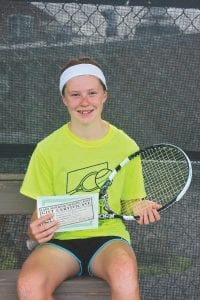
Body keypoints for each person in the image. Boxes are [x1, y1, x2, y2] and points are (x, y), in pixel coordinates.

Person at [17, 57, 161, 300]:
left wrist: (141, 207)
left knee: (125, 273)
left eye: (92, 92)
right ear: (64, 99)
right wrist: (35, 232)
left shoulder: (125, 145)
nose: (84, 102)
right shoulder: (47, 149)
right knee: (30, 285)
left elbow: (130, 202)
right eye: (75, 94)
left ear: (104, 95)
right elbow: (40, 211)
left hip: (108, 239)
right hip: (61, 242)